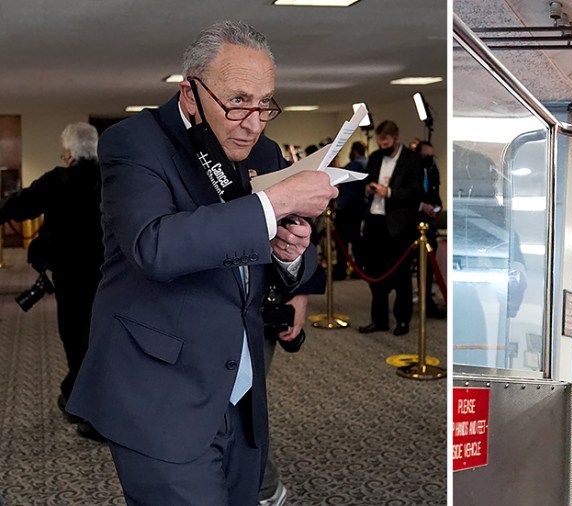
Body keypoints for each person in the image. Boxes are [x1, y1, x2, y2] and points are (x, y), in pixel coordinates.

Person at [66, 21, 337, 506]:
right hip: (160, 393)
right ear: (189, 93)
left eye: (265, 104)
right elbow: (154, 246)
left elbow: (269, 245)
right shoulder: (135, 142)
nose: (253, 122)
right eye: (237, 101)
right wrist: (271, 205)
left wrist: (291, 256)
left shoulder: (265, 151)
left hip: (239, 389)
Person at [0, 122, 105, 441]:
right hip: (111, 273)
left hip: (71, 274)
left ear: (69, 152)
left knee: (75, 339)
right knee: (101, 339)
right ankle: (78, 396)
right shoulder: (113, 178)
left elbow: (18, 207)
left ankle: (88, 408)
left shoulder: (57, 180)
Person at [358, 121, 423, 336]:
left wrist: (391, 193)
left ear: (396, 138)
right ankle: (379, 319)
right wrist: (368, 189)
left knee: (401, 277)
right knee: (374, 273)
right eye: (379, 141)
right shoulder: (375, 157)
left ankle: (402, 321)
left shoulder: (412, 160)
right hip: (374, 222)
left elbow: (415, 193)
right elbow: (366, 181)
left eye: (385, 141)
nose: (382, 145)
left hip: (399, 226)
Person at [414, 140, 444, 317]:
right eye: (426, 156)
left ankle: (427, 301)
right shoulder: (411, 170)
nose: (429, 159)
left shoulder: (433, 170)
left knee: (428, 265)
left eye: (432, 156)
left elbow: (436, 195)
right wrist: (421, 206)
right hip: (411, 221)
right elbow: (407, 195)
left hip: (429, 222)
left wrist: (436, 208)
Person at [332, 141, 368, 280]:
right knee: (356, 240)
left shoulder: (355, 165)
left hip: (348, 209)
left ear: (354, 151)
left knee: (343, 240)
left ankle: (341, 269)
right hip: (358, 208)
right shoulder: (366, 164)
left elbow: (343, 178)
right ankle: (358, 268)